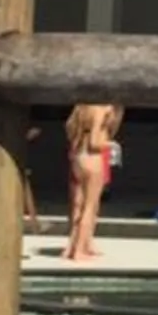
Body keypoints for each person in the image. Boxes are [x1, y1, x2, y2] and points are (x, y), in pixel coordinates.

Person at [64, 102, 123, 264]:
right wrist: (112, 144)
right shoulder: (100, 110)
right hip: (93, 158)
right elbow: (95, 142)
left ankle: (71, 247)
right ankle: (80, 251)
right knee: (90, 207)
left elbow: (69, 128)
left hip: (78, 156)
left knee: (78, 204)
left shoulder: (81, 108)